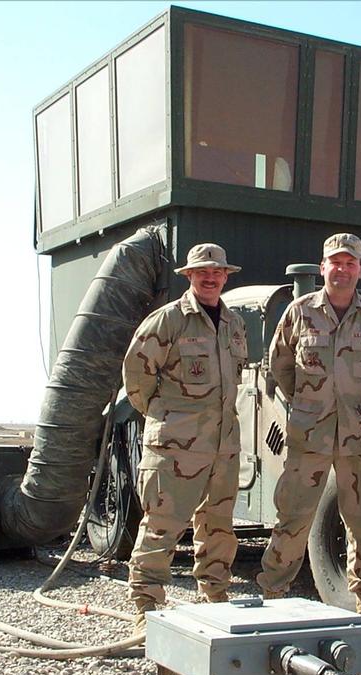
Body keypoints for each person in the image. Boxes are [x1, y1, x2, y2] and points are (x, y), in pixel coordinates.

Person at [257, 233, 361, 616]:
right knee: (293, 516)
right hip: (310, 435)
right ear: (323, 268)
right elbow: (280, 364)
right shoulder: (300, 312)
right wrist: (307, 402)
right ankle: (274, 591)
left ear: (359, 269)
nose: (343, 269)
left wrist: (358, 401)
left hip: (359, 437)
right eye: (336, 262)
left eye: (350, 263)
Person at [121, 243, 247, 638]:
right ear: (189, 276)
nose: (210, 278)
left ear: (225, 276)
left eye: (217, 272)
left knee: (219, 528)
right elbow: (137, 377)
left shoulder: (233, 323)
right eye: (202, 272)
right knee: (162, 526)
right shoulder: (169, 321)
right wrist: (168, 418)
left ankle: (215, 596)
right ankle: (147, 606)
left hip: (223, 447)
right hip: (176, 448)